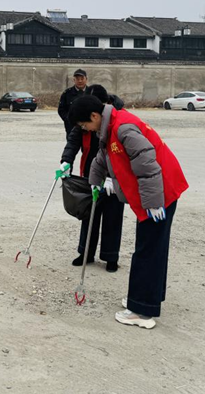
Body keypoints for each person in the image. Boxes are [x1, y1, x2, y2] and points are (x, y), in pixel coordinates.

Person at [69, 94, 188, 330]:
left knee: (148, 249)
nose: (87, 130)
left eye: (85, 125)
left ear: (94, 116)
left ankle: (142, 310)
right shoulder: (110, 126)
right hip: (154, 194)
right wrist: (95, 180)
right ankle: (146, 298)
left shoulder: (123, 128)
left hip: (160, 194)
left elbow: (147, 164)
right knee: (152, 246)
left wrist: (154, 202)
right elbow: (104, 155)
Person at [58, 85, 125, 271]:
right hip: (90, 172)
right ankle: (86, 252)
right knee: (89, 214)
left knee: (113, 216)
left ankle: (111, 257)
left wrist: (114, 176)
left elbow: (122, 152)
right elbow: (73, 140)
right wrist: (66, 161)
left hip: (114, 177)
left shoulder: (117, 119)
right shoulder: (86, 115)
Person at [57, 69, 89, 134]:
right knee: (72, 144)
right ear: (74, 80)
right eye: (77, 79)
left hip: (89, 128)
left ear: (86, 79)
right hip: (71, 128)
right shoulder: (67, 93)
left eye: (82, 79)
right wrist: (68, 120)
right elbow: (61, 110)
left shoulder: (92, 92)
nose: (80, 81)